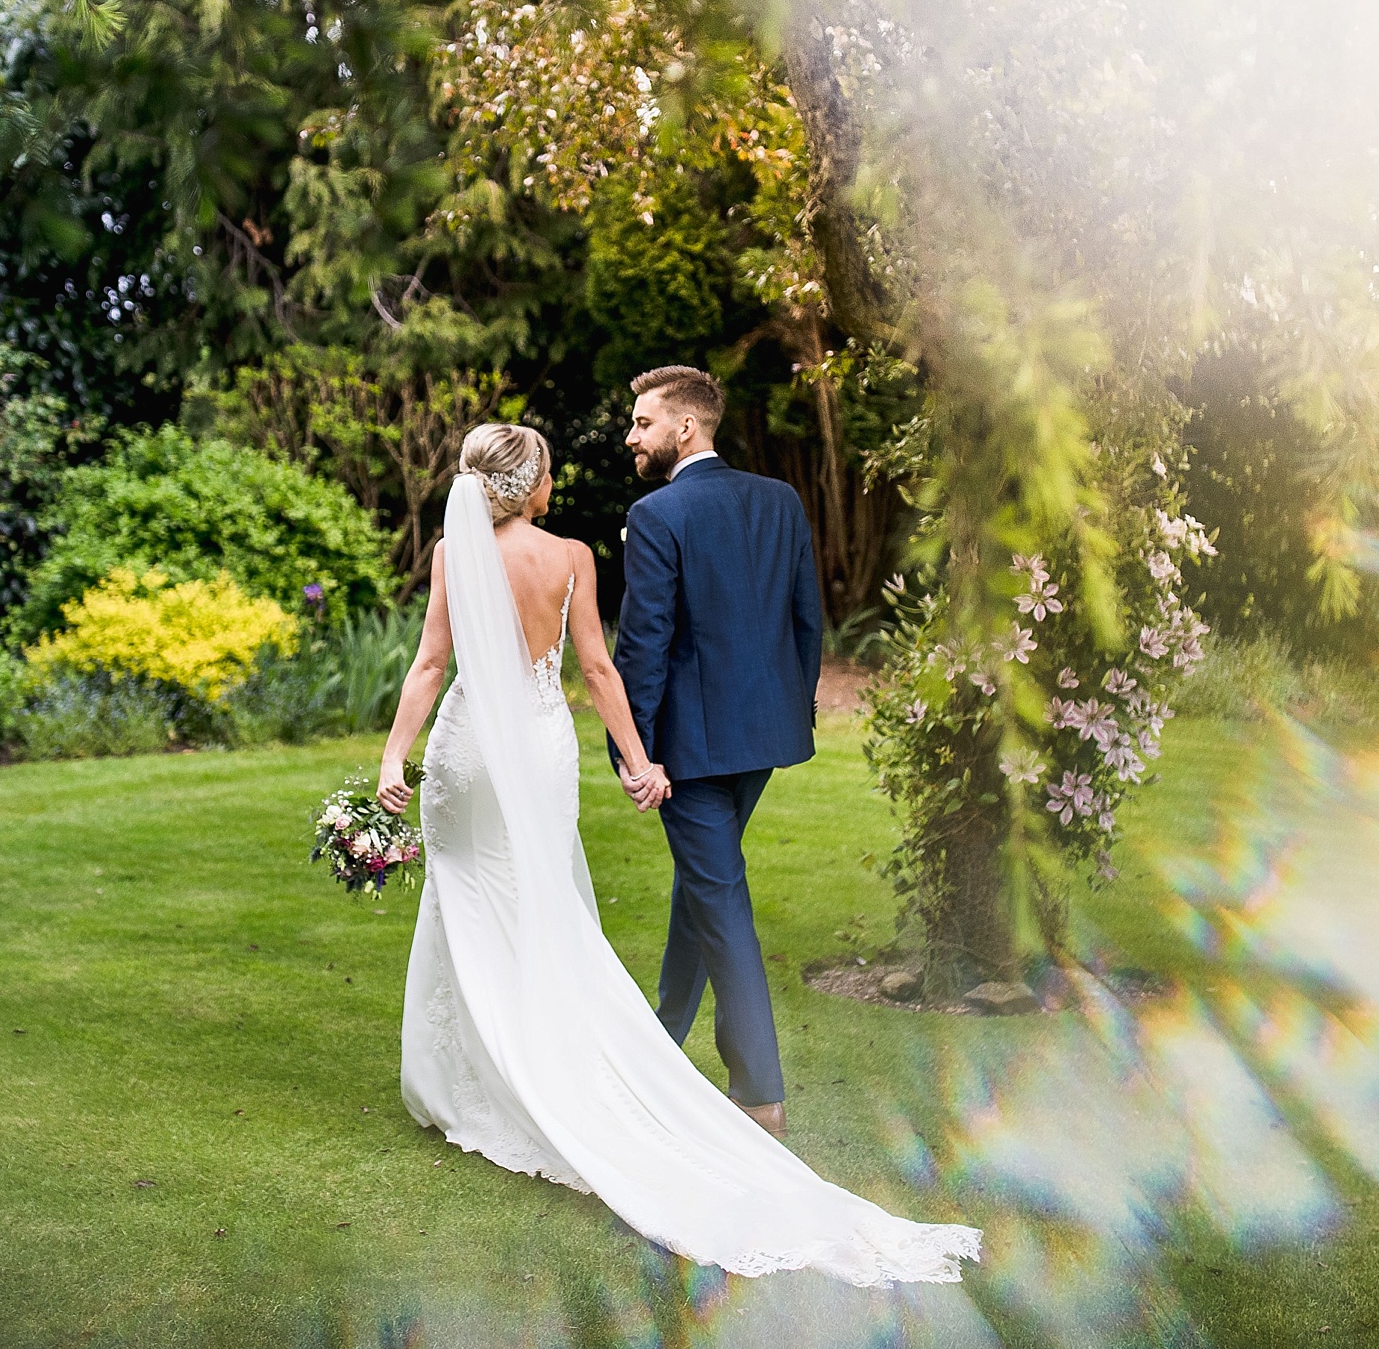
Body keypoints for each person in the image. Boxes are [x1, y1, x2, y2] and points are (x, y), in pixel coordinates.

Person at [372, 421, 979, 1286]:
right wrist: (638, 759)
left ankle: (462, 1080)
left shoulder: (450, 553)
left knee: (464, 900)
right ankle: (542, 1064)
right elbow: (598, 670)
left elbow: (431, 665)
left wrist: (395, 757)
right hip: (540, 758)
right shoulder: (572, 555)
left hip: (463, 755)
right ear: (533, 485)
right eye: (550, 471)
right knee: (541, 907)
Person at [611, 364, 819, 1140]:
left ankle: (760, 1093)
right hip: (760, 741)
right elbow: (807, 621)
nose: (631, 436)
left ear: (685, 428)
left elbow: (645, 647)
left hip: (688, 755)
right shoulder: (781, 500)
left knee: (719, 898)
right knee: (704, 883)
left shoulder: (658, 514)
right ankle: (661, 1041)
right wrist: (789, 713)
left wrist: (636, 754)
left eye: (642, 423)